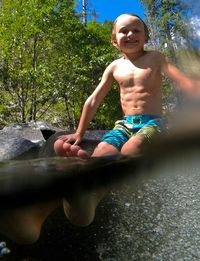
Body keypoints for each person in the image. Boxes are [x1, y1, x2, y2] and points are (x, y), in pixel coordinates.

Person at [54, 13, 200, 159]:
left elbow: (183, 80)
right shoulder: (114, 67)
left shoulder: (156, 58)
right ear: (114, 41)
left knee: (131, 148)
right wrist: (79, 133)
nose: (130, 34)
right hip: (124, 125)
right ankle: (85, 163)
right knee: (102, 149)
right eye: (124, 31)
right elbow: (93, 100)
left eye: (136, 31)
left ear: (146, 38)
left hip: (153, 124)